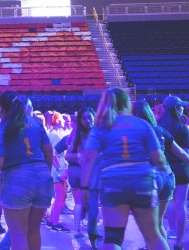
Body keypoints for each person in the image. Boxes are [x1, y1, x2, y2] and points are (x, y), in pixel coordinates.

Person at [82, 88, 170, 250]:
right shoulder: (142, 124)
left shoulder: (101, 127)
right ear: (127, 103)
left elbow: (88, 158)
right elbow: (159, 158)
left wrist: (85, 187)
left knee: (113, 237)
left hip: (113, 181)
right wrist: (163, 172)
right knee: (153, 235)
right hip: (143, 181)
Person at [0, 91, 53, 250]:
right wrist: (45, 173)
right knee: (34, 230)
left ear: (0, 107)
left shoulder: (0, 130)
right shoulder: (35, 123)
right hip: (42, 177)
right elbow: (48, 151)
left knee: (18, 234)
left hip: (17, 180)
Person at [150, 98, 189, 250]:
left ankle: (169, 232)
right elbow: (185, 153)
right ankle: (178, 243)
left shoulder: (158, 126)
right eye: (181, 107)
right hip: (180, 168)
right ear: (176, 109)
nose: (183, 110)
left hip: (163, 169)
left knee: (166, 204)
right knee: (181, 204)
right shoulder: (182, 128)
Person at [64, 108, 99, 243]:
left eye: (89, 117)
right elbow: (67, 154)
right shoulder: (78, 133)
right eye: (84, 118)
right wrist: (80, 156)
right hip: (81, 173)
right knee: (83, 203)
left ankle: (80, 229)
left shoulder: (94, 132)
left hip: (86, 173)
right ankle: (80, 230)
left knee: (84, 203)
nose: (87, 121)